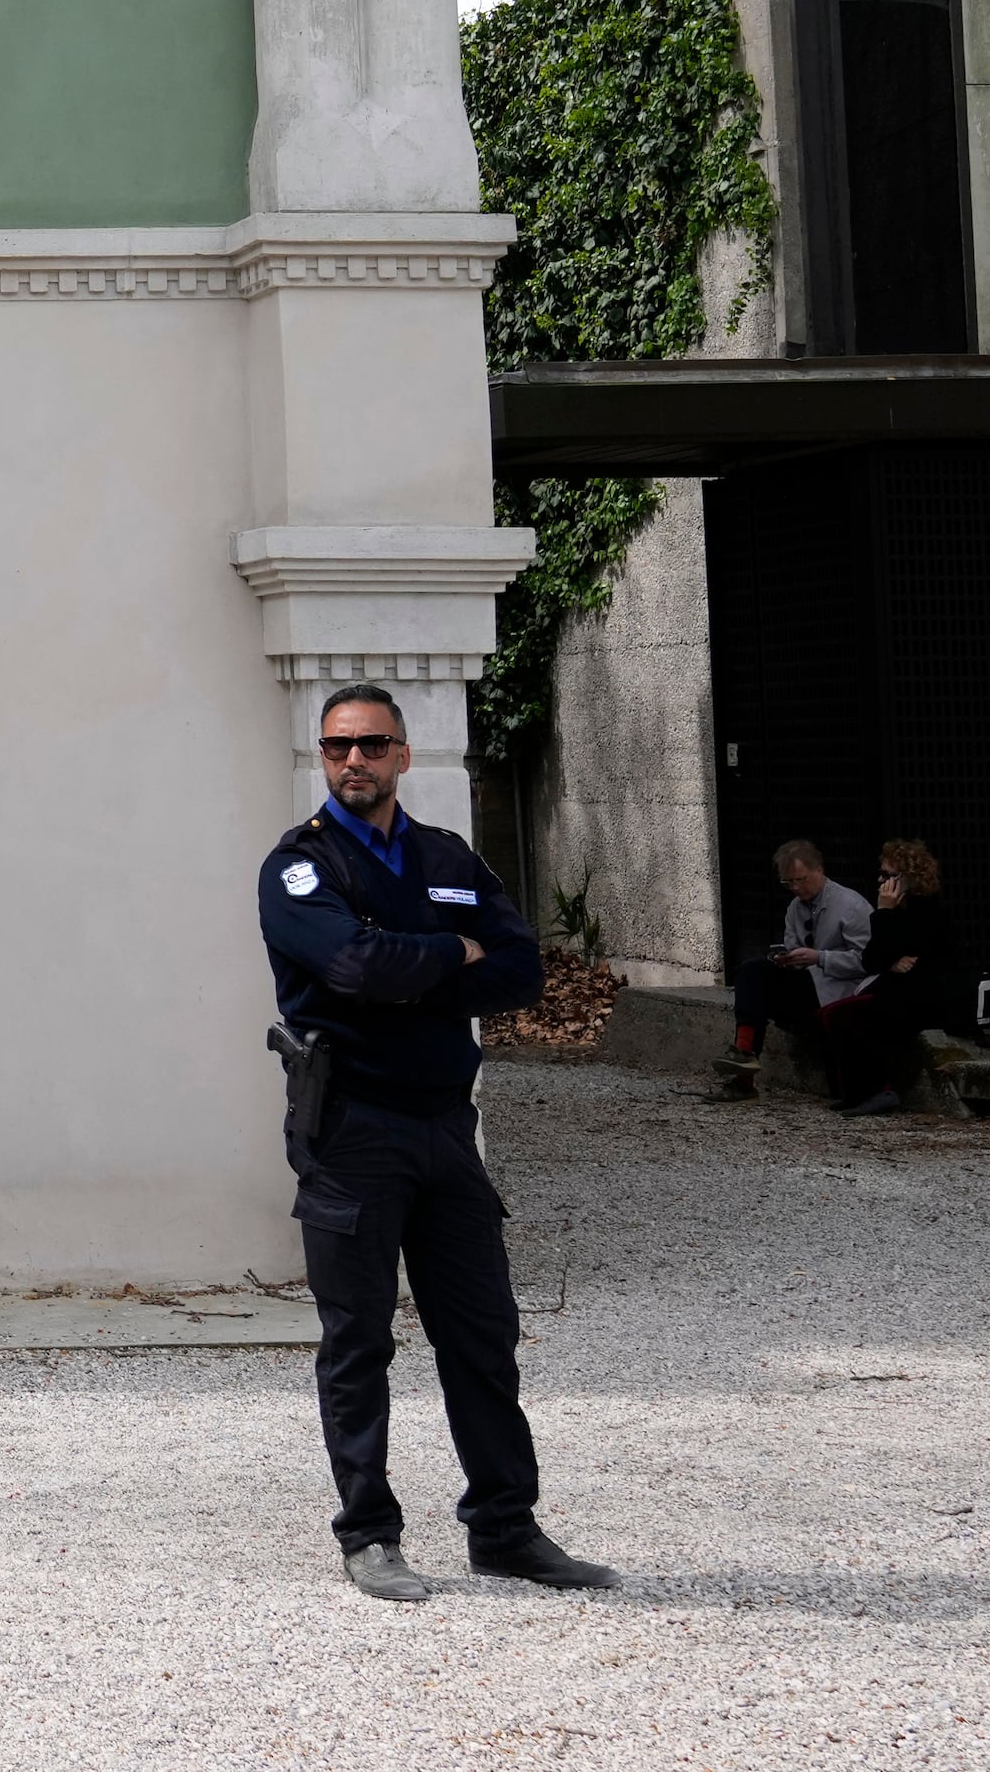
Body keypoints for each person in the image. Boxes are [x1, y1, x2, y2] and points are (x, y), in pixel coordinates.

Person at [259, 683, 619, 1603]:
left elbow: (522, 971)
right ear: (323, 755)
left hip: (446, 1133)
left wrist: (404, 963)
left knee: (482, 1337)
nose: (353, 761)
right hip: (353, 1133)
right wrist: (449, 954)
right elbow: (347, 964)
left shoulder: (448, 856)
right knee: (358, 1343)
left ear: (402, 757)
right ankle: (370, 1534)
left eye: (372, 745)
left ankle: (504, 1529)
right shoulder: (301, 867)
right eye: (338, 746)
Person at [722, 840, 874, 1099]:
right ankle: (744, 1058)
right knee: (752, 972)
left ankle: (744, 1070)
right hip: (806, 981)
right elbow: (794, 944)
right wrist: (787, 957)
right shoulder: (795, 907)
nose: (795, 888)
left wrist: (820, 958)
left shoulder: (851, 905)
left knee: (760, 985)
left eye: (800, 880)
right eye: (787, 883)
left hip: (836, 989)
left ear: (819, 870)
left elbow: (867, 961)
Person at [828, 840, 951, 1118]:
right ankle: (856, 1092)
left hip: (924, 996)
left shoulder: (927, 911)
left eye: (889, 875)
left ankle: (878, 1091)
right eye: (881, 873)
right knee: (840, 1015)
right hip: (899, 989)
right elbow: (872, 960)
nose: (881, 880)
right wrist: (891, 959)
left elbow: (917, 957)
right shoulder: (897, 911)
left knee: (863, 1017)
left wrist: (884, 915)